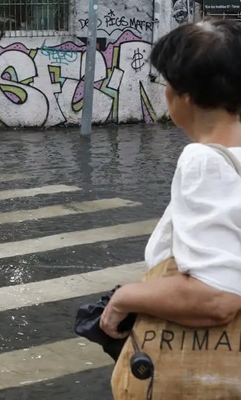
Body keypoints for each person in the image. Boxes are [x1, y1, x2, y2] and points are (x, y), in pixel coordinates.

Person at [100, 17, 241, 392]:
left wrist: (123, 298)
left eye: (166, 83)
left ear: (185, 97)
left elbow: (217, 297)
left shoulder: (205, 161)